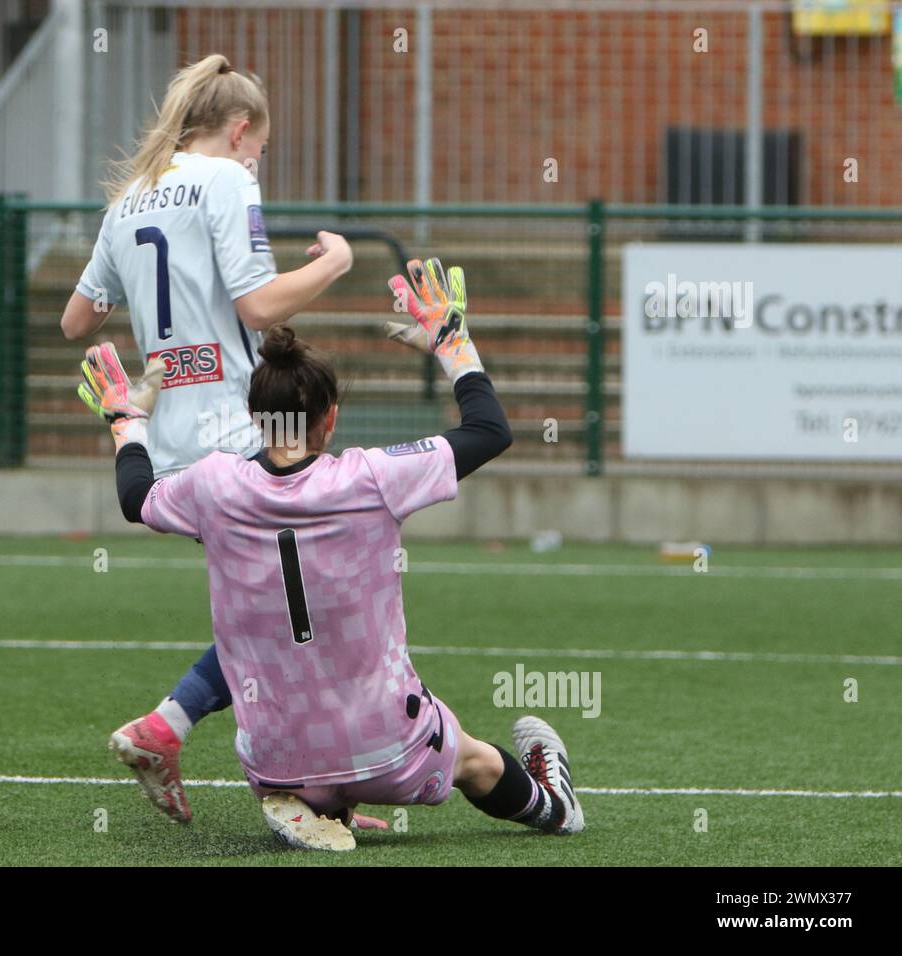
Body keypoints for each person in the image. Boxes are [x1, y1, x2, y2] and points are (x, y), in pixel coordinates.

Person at [77, 257, 585, 849]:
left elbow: (137, 498)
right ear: (331, 420)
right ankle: (555, 806)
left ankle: (316, 804)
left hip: (273, 760)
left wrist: (126, 420)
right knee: (475, 760)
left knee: (293, 687)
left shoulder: (213, 485)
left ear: (255, 418)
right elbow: (490, 431)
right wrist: (452, 341)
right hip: (390, 752)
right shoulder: (372, 478)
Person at [60, 53, 353, 822]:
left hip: (168, 449)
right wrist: (335, 263)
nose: (259, 159)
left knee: (285, 615)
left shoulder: (128, 199)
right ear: (240, 128)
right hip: (240, 435)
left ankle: (291, 784)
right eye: (260, 145)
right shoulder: (228, 180)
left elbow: (77, 321)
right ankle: (194, 738)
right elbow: (259, 307)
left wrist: (164, 350)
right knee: (305, 611)